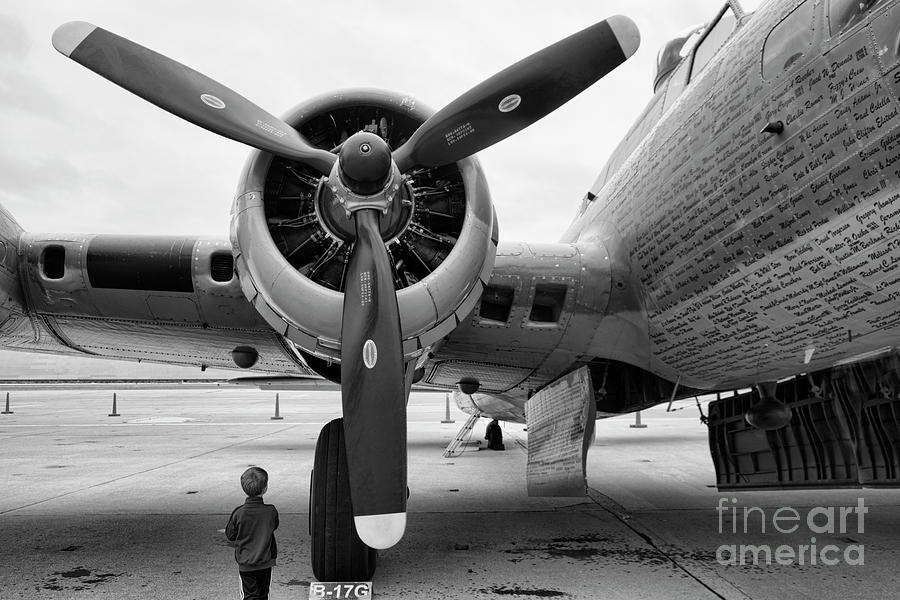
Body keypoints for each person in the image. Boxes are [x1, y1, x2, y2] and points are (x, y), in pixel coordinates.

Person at [226, 467, 279, 600]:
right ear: (265, 488)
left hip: (246, 564)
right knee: (263, 594)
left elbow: (230, 535)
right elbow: (274, 525)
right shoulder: (271, 511)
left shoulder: (238, 513)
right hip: (266, 562)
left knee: (249, 596)